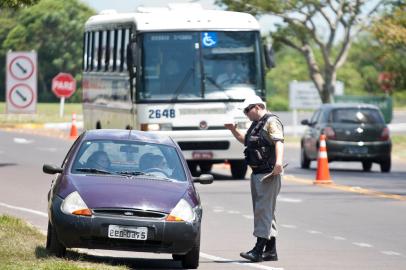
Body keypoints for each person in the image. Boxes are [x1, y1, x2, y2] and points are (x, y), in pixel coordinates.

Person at [224, 95, 284, 262]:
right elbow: (247, 142)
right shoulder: (257, 124)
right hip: (257, 173)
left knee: (262, 211)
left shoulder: (271, 121)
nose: (245, 113)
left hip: (268, 173)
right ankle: (271, 251)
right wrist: (233, 130)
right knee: (267, 212)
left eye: (247, 110)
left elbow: (279, 141)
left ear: (257, 106)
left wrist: (278, 162)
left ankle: (258, 250)